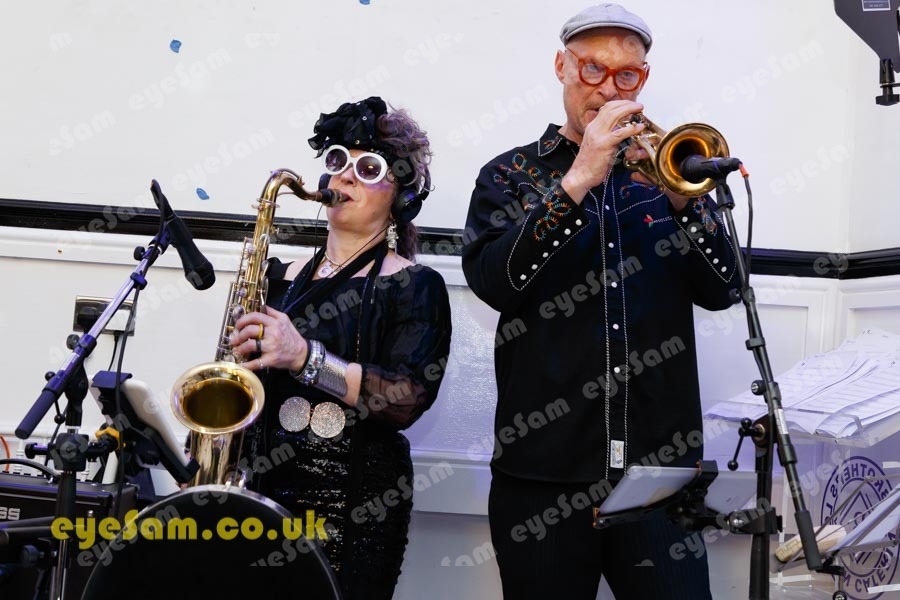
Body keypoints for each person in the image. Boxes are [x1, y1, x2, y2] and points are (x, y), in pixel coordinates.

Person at [462, 4, 738, 599]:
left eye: (626, 74)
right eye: (592, 68)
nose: (609, 88)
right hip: (542, 477)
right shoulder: (508, 176)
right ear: (561, 67)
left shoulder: (670, 177)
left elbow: (726, 290)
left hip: (659, 478)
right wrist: (578, 179)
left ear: (643, 79)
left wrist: (684, 204)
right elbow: (493, 283)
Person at [229, 96, 452, 599]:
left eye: (368, 168)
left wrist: (305, 358)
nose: (345, 176)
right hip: (262, 492)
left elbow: (405, 400)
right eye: (337, 161)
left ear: (400, 198)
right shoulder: (275, 277)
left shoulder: (416, 286)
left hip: (357, 507)